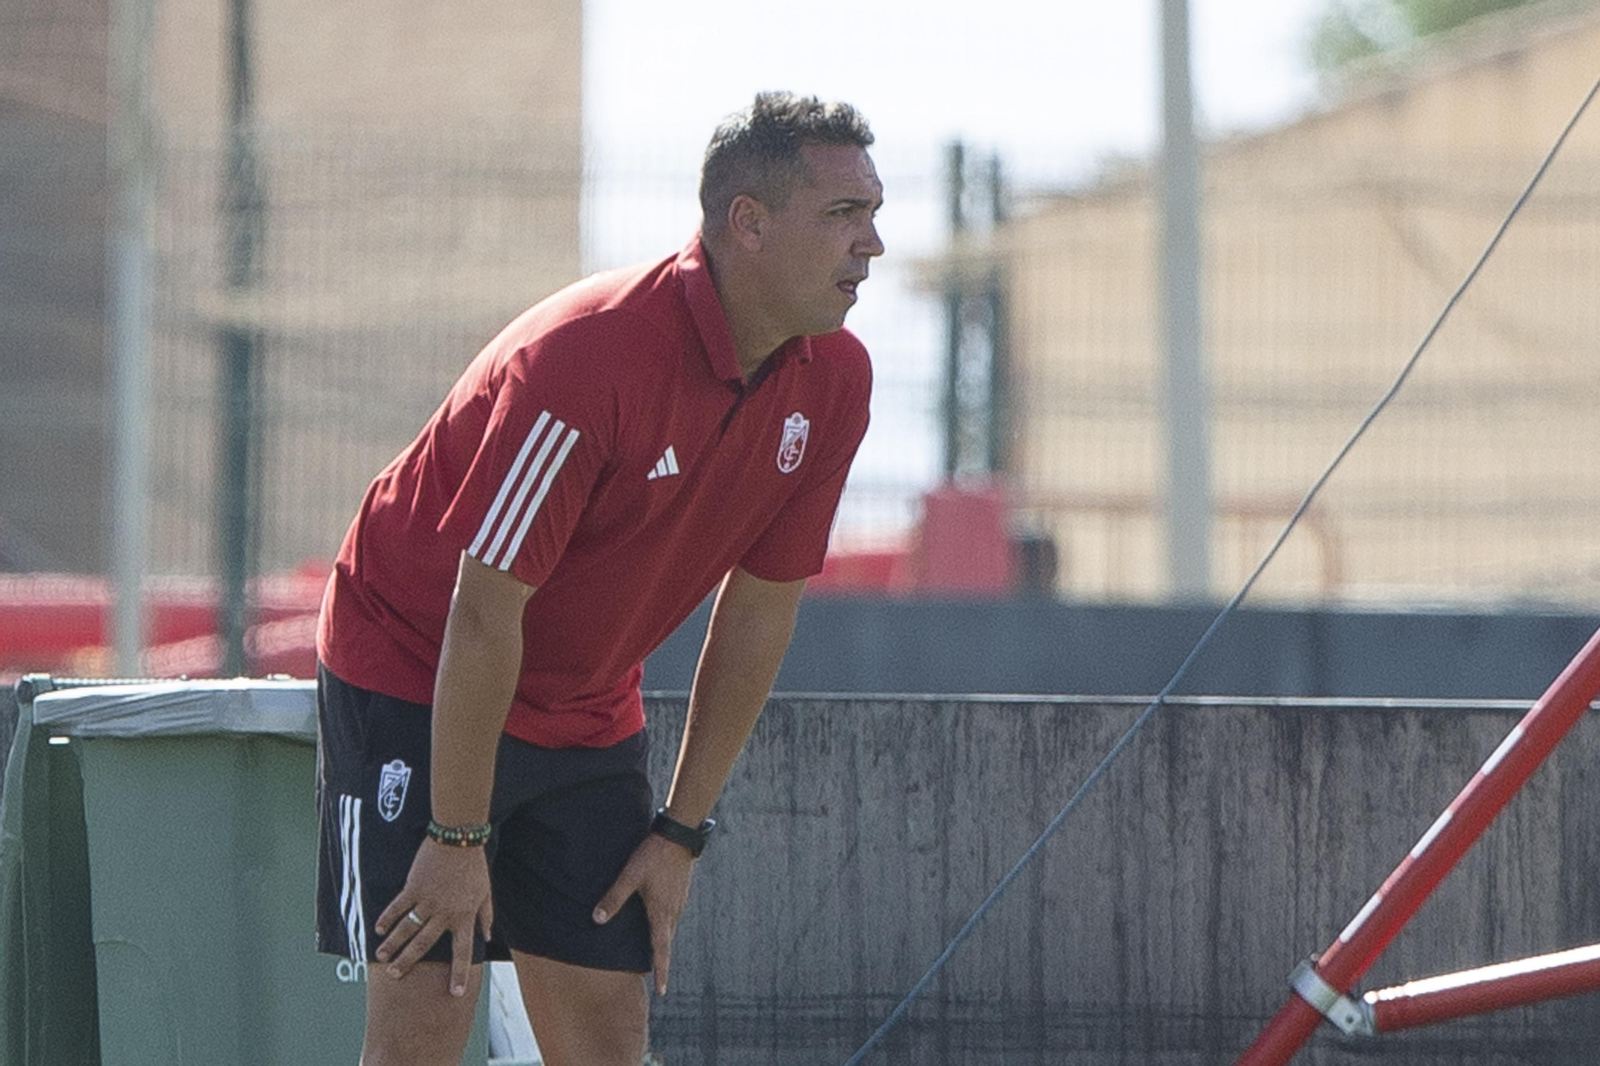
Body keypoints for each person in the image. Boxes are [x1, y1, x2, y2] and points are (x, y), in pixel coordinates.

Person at [314, 91, 884, 1066]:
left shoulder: (836, 381)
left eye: (874, 214)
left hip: (581, 708)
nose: (872, 244)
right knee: (425, 1021)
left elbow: (756, 617)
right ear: (746, 224)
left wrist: (680, 831)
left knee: (607, 1037)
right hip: (416, 667)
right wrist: (455, 840)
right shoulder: (585, 361)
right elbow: (482, 618)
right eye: (843, 215)